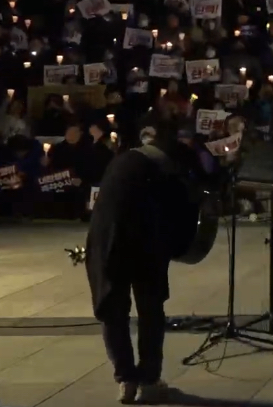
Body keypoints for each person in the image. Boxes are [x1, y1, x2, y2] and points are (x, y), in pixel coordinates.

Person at [85, 122, 193, 404]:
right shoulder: (166, 172)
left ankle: (126, 380)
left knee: (114, 311)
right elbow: (182, 218)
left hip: (107, 243)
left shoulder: (123, 161)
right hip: (144, 243)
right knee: (150, 310)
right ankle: (148, 379)